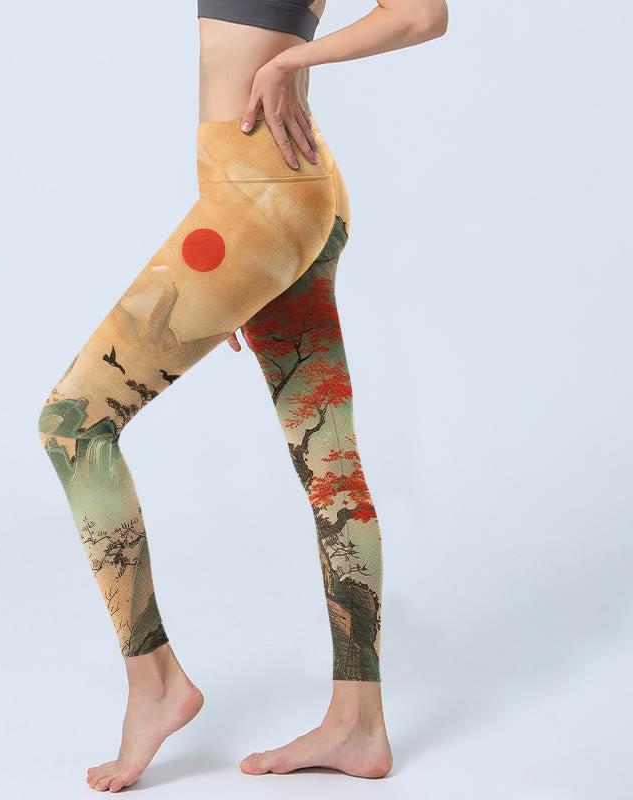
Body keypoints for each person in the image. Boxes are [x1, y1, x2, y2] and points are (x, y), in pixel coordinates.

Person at [37, 0, 448, 792]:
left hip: (262, 198)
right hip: (268, 193)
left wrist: (294, 61)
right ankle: (359, 724)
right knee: (330, 462)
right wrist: (232, 277)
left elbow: (422, 13)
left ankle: (155, 683)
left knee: (73, 425)